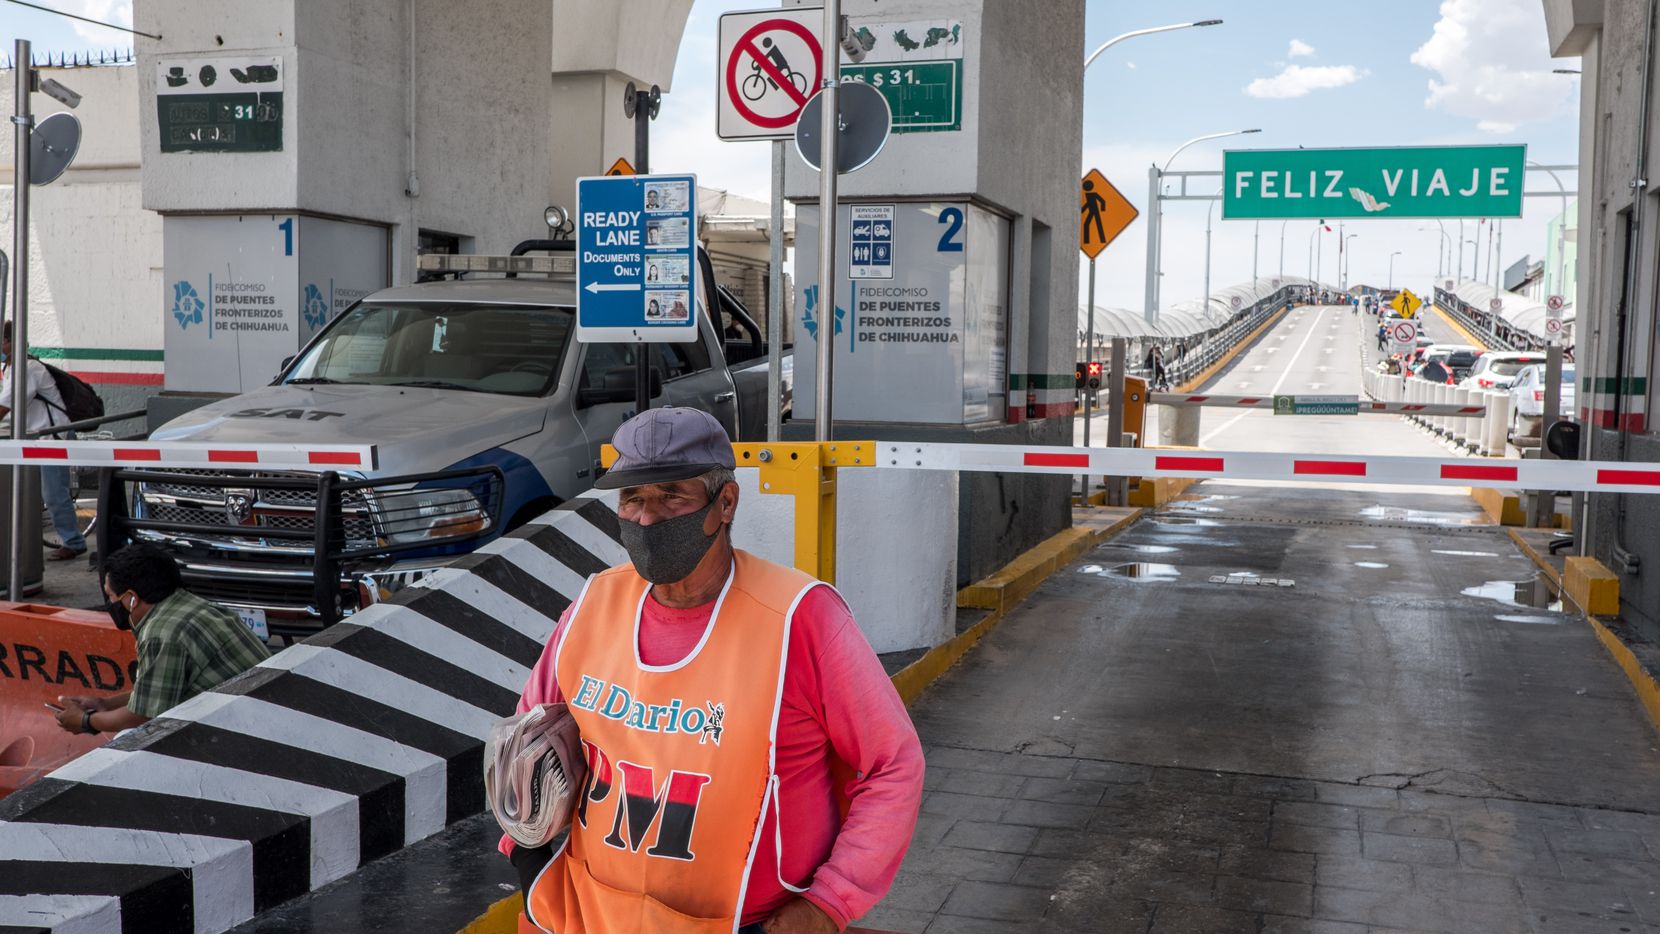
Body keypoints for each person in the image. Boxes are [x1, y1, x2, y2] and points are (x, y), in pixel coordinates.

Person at [506, 407, 924, 934]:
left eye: (671, 496)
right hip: (588, 917)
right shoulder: (593, 605)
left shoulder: (799, 617)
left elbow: (892, 764)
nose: (647, 518)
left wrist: (828, 904)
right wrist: (525, 856)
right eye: (632, 498)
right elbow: (527, 743)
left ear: (725, 502)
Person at [52, 543, 270, 736]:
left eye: (110, 595)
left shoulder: (161, 633)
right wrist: (104, 704)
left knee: (127, 740)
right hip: (259, 711)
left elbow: (144, 715)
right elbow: (158, 692)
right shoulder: (184, 604)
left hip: (248, 727)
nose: (109, 602)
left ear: (131, 599)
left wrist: (86, 722)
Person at [0, 321, 84, 560]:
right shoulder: (10, 367)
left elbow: (4, 407)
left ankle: (74, 542)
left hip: (53, 437)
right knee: (26, 490)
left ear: (9, 342)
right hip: (36, 437)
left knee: (53, 493)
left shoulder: (27, 368)